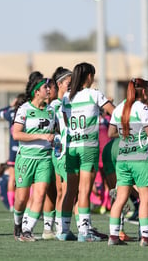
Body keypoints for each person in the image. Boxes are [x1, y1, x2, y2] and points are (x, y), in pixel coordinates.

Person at [60, 62, 115, 242]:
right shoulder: (94, 94)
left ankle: (64, 230)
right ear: (89, 76)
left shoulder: (67, 97)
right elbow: (113, 112)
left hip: (71, 146)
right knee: (84, 191)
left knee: (71, 190)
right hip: (87, 146)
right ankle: (85, 231)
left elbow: (67, 122)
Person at [107, 78, 148, 246]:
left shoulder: (119, 108)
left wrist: (126, 135)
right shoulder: (142, 108)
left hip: (123, 158)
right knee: (145, 198)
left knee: (121, 198)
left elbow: (111, 133)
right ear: (143, 91)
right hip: (140, 159)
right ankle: (146, 237)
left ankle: (113, 236)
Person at [12, 72, 56, 242]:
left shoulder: (52, 111)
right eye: (46, 87)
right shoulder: (24, 109)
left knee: (39, 195)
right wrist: (41, 136)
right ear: (37, 91)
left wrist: (55, 140)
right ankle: (17, 223)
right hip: (26, 158)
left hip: (45, 159)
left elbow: (56, 132)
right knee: (22, 198)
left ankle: (27, 230)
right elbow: (16, 134)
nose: (49, 90)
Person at [46, 67, 74, 240]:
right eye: (68, 83)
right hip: (63, 150)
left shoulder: (65, 102)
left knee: (63, 191)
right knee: (65, 190)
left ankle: (58, 227)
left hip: (62, 149)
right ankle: (62, 228)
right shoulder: (57, 104)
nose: (72, 86)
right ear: (60, 84)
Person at [0, 93, 25, 212]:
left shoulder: (10, 113)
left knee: (13, 177)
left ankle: (12, 205)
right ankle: (22, 204)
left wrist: (10, 105)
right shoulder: (26, 113)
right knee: (26, 179)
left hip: (13, 152)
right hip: (25, 150)